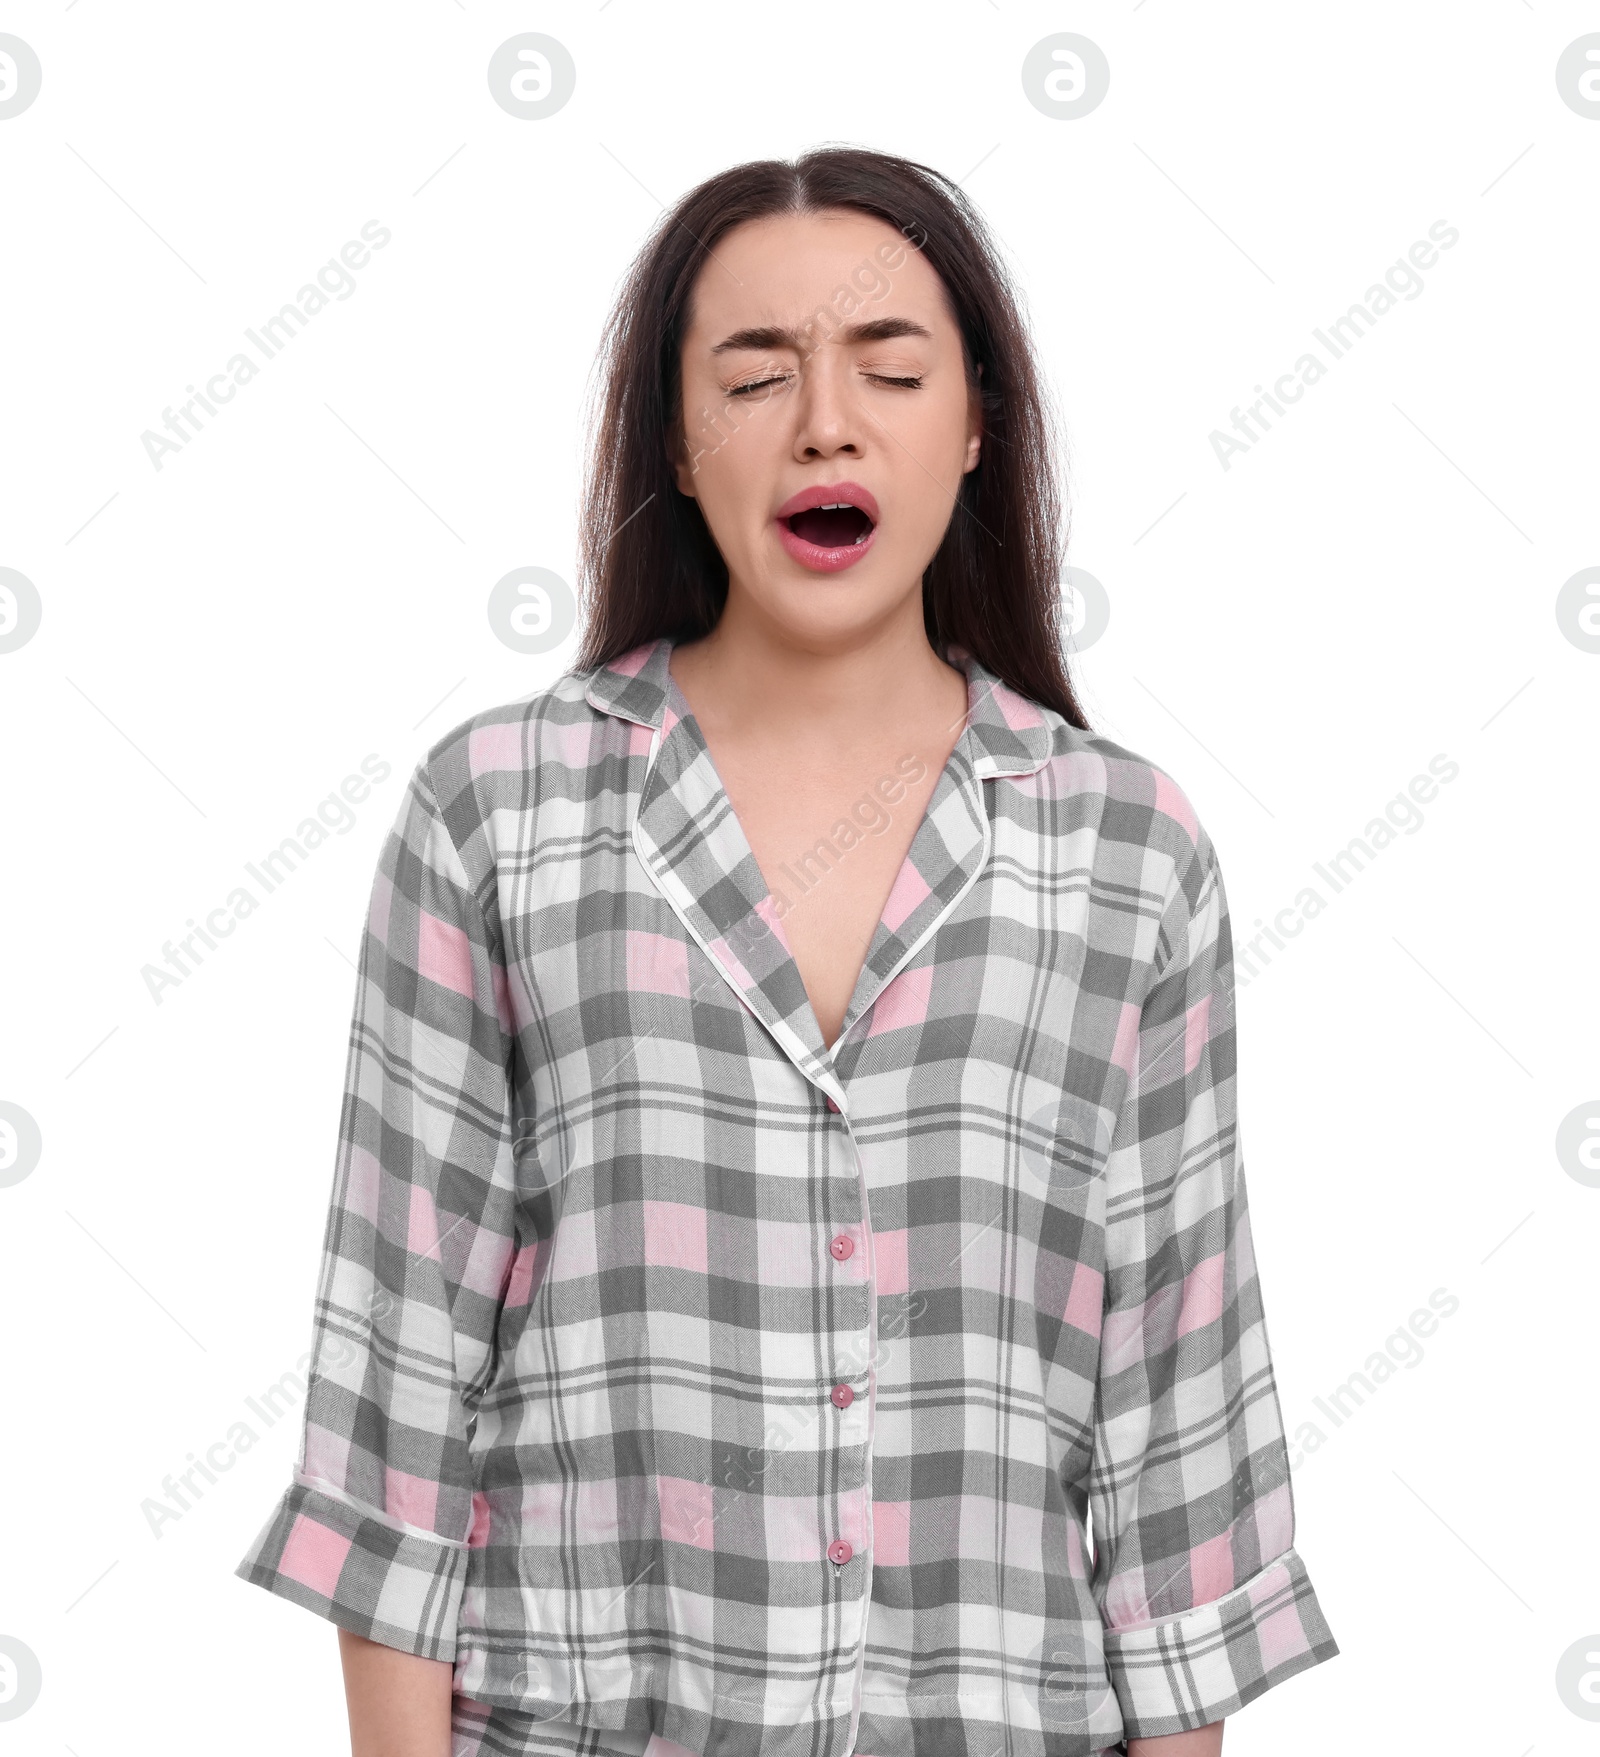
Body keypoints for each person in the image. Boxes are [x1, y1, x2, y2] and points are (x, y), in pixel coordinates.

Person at [235, 146, 1337, 1757]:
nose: (828, 419)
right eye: (755, 376)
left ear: (974, 428)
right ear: (679, 442)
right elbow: (397, 1399)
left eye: (890, 368)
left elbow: (1178, 1434)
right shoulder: (502, 811)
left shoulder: (1125, 849)